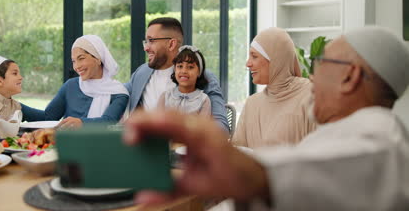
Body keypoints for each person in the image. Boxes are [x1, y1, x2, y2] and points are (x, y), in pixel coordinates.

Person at [123, 26, 409, 210]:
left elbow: (351, 163)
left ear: (350, 77)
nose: (311, 74)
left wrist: (254, 174)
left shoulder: (382, 133)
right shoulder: (342, 130)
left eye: (323, 63)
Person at [125, 17, 228, 132]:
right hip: (146, 145)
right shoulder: (141, 72)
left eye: (151, 41)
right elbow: (118, 93)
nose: (146, 48)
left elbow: (221, 129)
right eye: (146, 42)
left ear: (171, 44)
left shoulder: (204, 77)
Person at [232, 27, 317, 148]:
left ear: (276, 59)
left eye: (254, 56)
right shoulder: (252, 104)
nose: (248, 63)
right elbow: (237, 154)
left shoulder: (311, 95)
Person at [22, 35, 128, 129]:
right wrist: (17, 107)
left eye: (81, 58)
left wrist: (81, 123)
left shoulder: (118, 93)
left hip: (100, 149)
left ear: (98, 58)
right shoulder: (70, 86)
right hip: (67, 146)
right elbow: (48, 117)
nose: (76, 66)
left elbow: (108, 122)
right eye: (73, 61)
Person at [157, 45, 211, 116]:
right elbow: (157, 124)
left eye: (190, 67)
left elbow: (203, 126)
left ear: (199, 72)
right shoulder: (165, 97)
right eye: (180, 66)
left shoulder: (204, 100)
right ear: (175, 70)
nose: (184, 71)